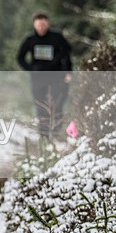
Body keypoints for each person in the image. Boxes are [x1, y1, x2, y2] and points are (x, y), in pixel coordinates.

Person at [17, 12, 72, 140]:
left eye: (43, 25)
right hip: (38, 78)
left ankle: (56, 133)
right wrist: (31, 69)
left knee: (56, 104)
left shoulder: (56, 37)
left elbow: (67, 54)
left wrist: (68, 71)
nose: (41, 28)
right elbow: (20, 58)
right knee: (40, 106)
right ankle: (44, 135)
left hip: (56, 76)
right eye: (39, 25)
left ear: (47, 24)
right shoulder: (30, 40)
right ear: (34, 25)